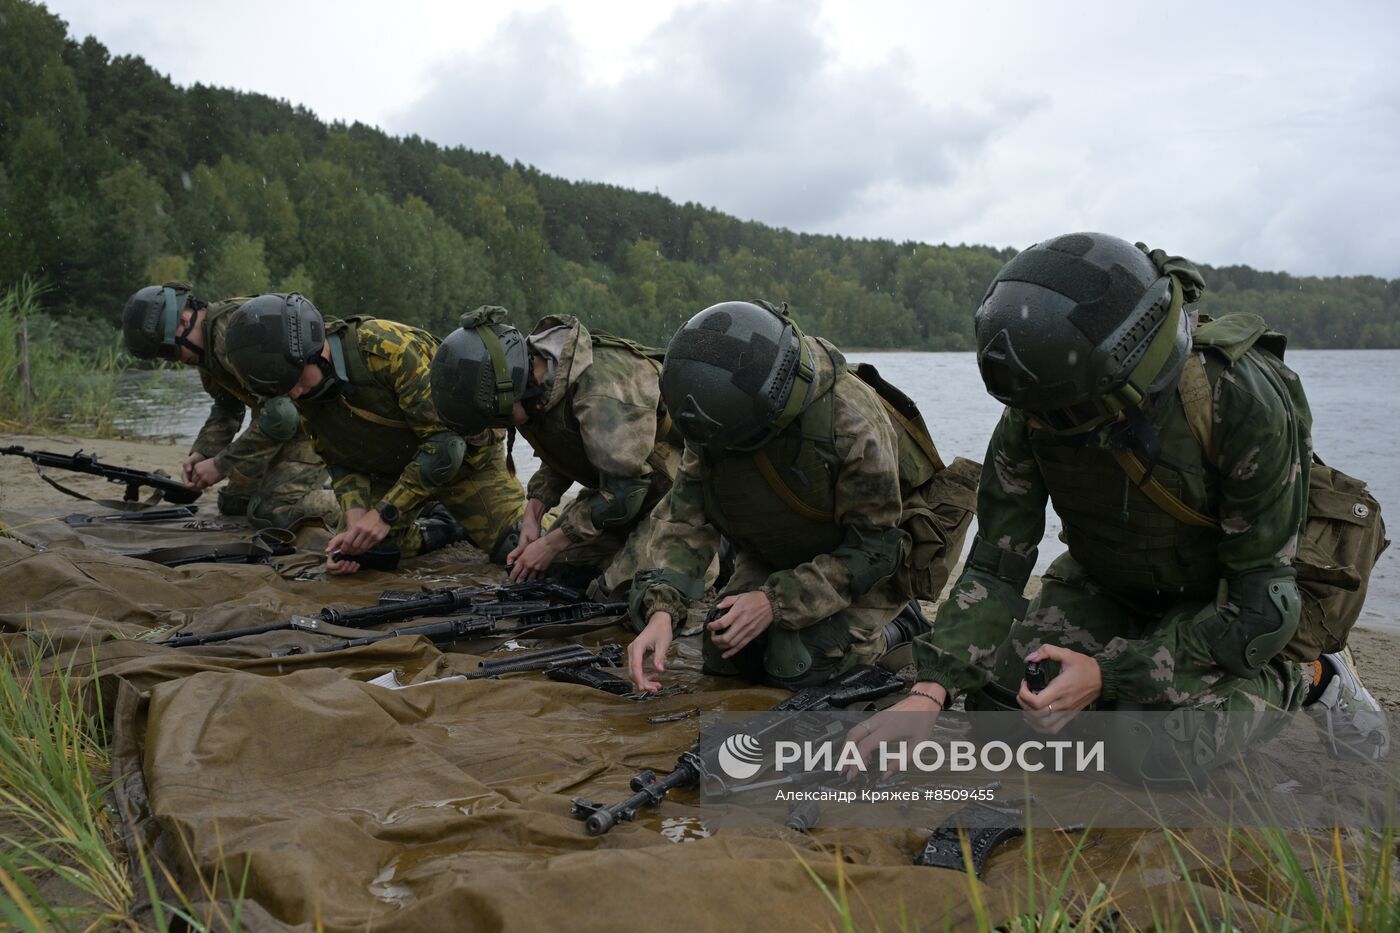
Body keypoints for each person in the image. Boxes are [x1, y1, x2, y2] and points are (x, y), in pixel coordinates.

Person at [851, 233, 1388, 780]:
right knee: (1005, 711)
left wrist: (1108, 674)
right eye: (1027, 412)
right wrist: (929, 690)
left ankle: (1314, 679)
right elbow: (995, 566)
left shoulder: (1238, 402)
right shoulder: (1040, 404)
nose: (1033, 426)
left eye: (1054, 415)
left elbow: (1257, 608)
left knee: (1153, 750)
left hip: (1218, 601)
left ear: (1121, 381)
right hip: (1110, 578)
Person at [625, 300, 977, 692]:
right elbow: (684, 522)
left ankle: (900, 626)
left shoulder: (849, 423)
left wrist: (774, 602)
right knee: (725, 653)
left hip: (875, 564)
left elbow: (875, 549)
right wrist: (662, 612)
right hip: (784, 547)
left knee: (798, 664)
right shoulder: (715, 420)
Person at [222, 293, 525, 574]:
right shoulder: (304, 388)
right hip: (392, 470)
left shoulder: (388, 350)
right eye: (285, 389)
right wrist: (354, 514)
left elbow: (446, 445)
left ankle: (463, 513)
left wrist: (383, 514)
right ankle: (446, 527)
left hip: (466, 466)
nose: (295, 393)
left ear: (315, 351)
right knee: (362, 552)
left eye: (297, 380)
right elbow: (338, 458)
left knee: (518, 550)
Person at [429, 307, 682, 592]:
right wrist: (532, 516)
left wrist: (551, 542)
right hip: (619, 488)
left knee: (623, 593)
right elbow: (563, 448)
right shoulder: (537, 385)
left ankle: (717, 545)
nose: (502, 425)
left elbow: (627, 491)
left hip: (675, 489)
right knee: (556, 575)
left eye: (500, 418)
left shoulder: (599, 392)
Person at [120, 282, 337, 529]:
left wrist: (221, 465)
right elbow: (227, 406)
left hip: (318, 421)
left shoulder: (232, 334)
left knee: (274, 512)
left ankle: (360, 506)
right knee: (234, 503)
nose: (177, 361)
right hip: (282, 426)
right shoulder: (206, 352)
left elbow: (282, 417)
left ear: (183, 320)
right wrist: (203, 452)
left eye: (169, 352)